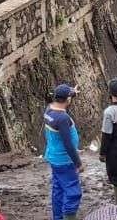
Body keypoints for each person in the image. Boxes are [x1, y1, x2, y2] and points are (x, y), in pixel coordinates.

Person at [44, 84, 83, 220]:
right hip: (64, 160)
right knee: (73, 193)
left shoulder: (49, 111)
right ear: (67, 100)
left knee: (58, 189)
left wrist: (73, 92)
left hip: (53, 157)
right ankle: (69, 217)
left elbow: (65, 96)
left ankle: (58, 217)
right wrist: (78, 163)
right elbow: (68, 144)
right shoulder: (62, 119)